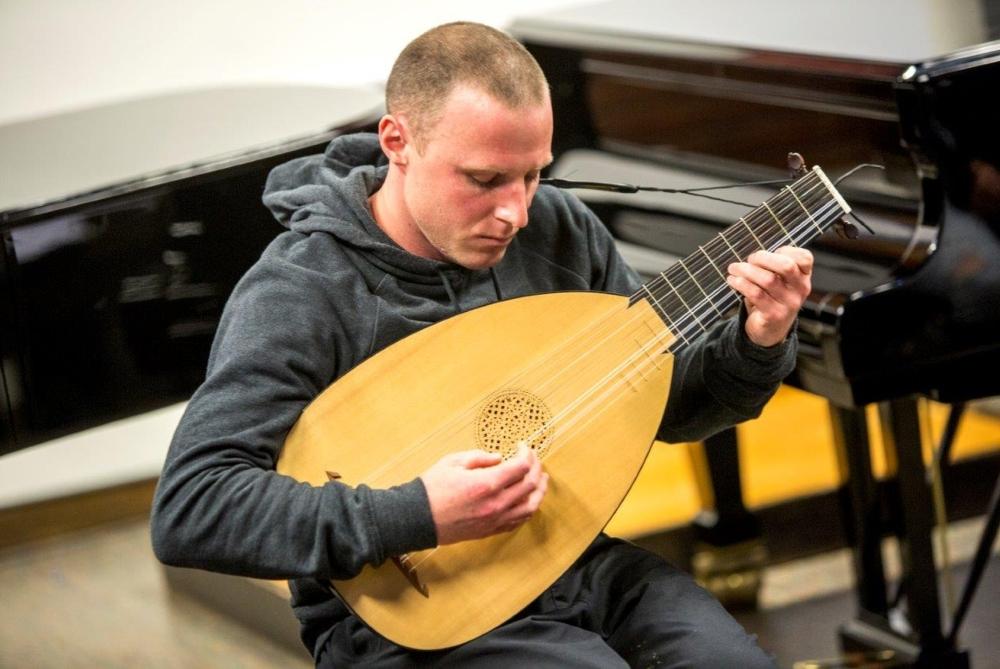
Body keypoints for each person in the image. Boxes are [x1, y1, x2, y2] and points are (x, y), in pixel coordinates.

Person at [151, 21, 813, 668]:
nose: (517, 213)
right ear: (397, 141)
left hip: (566, 557)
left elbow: (664, 407)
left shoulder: (555, 229)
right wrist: (415, 512)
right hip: (401, 617)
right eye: (485, 179)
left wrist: (757, 340)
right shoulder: (301, 289)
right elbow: (191, 508)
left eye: (533, 175)